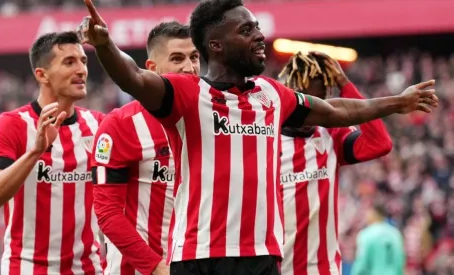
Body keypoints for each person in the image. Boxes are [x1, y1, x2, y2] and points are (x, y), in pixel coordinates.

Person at [77, 0, 437, 273]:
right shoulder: (186, 95)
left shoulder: (270, 94)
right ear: (216, 45)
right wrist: (105, 46)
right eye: (246, 30)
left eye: (257, 28)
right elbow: (134, 78)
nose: (259, 35)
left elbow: (335, 112)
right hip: (199, 255)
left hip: (261, 256)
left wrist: (398, 102)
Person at [0, 31, 103, 275]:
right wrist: (35, 152)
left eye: (83, 61)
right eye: (69, 62)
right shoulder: (11, 124)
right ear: (41, 74)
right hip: (26, 269)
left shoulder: (100, 126)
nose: (81, 70)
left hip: (90, 270)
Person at [91, 21, 200, 275]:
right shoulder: (120, 125)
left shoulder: (214, 119)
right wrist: (158, 268)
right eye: (177, 58)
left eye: (194, 57)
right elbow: (107, 212)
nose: (189, 66)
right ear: (152, 68)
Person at [278, 52, 393, 275]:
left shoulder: (330, 135)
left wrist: (345, 84)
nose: (317, 111)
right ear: (292, 96)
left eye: (323, 101)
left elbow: (380, 144)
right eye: (310, 101)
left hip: (325, 270)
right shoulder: (264, 140)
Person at [351, 201, 405, 275]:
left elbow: (361, 262)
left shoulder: (366, 234)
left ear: (374, 213)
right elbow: (399, 261)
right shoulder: (395, 233)